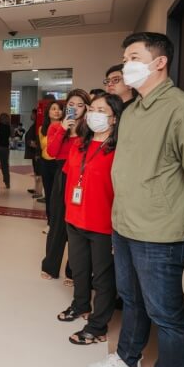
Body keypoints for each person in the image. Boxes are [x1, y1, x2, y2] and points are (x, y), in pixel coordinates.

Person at [86, 33, 184, 367]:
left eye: (134, 57)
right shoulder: (136, 110)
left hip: (160, 231)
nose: (126, 65)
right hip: (125, 224)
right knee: (134, 301)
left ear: (159, 62)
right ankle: (128, 360)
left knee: (166, 316)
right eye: (125, 58)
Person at [57, 94, 124, 345]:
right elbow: (70, 176)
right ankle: (80, 304)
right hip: (74, 218)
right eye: (92, 109)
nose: (94, 114)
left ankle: (97, 326)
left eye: (101, 110)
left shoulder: (119, 149)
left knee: (103, 277)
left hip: (103, 223)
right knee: (80, 268)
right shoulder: (80, 144)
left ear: (114, 118)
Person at [41, 89, 91, 284]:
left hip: (82, 176)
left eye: (80, 105)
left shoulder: (89, 128)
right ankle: (50, 266)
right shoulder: (56, 127)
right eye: (71, 105)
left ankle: (73, 271)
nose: (75, 109)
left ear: (86, 108)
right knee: (57, 222)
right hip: (62, 173)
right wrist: (63, 128)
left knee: (77, 225)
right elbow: (52, 152)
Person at [37, 101, 64, 222]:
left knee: (58, 194)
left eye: (59, 109)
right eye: (53, 109)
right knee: (48, 192)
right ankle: (50, 221)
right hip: (45, 163)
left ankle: (58, 222)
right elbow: (44, 147)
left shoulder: (65, 127)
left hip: (59, 164)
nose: (57, 111)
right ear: (48, 112)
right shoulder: (42, 129)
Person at [24, 109, 42, 198]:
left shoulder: (38, 126)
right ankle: (36, 189)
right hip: (34, 153)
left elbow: (39, 141)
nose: (31, 115)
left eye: (32, 113)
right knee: (36, 172)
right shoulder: (34, 125)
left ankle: (39, 192)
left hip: (37, 153)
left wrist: (36, 149)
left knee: (39, 173)